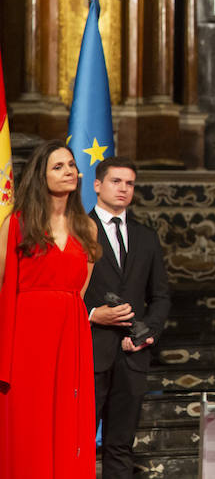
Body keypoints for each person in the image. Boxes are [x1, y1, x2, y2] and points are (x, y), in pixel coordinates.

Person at [0, 139, 100, 478]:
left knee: (68, 421)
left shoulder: (87, 228)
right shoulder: (16, 223)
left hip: (70, 336)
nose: (69, 171)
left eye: (71, 165)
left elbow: (79, 291)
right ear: (39, 176)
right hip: (26, 339)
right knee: (29, 421)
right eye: (58, 166)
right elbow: (2, 285)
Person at [83, 157, 171, 479]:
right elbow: (62, 293)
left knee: (121, 444)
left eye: (129, 183)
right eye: (115, 181)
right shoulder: (79, 230)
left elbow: (160, 295)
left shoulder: (146, 237)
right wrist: (93, 314)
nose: (123, 189)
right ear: (97, 185)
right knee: (79, 443)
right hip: (89, 351)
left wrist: (150, 332)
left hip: (133, 355)